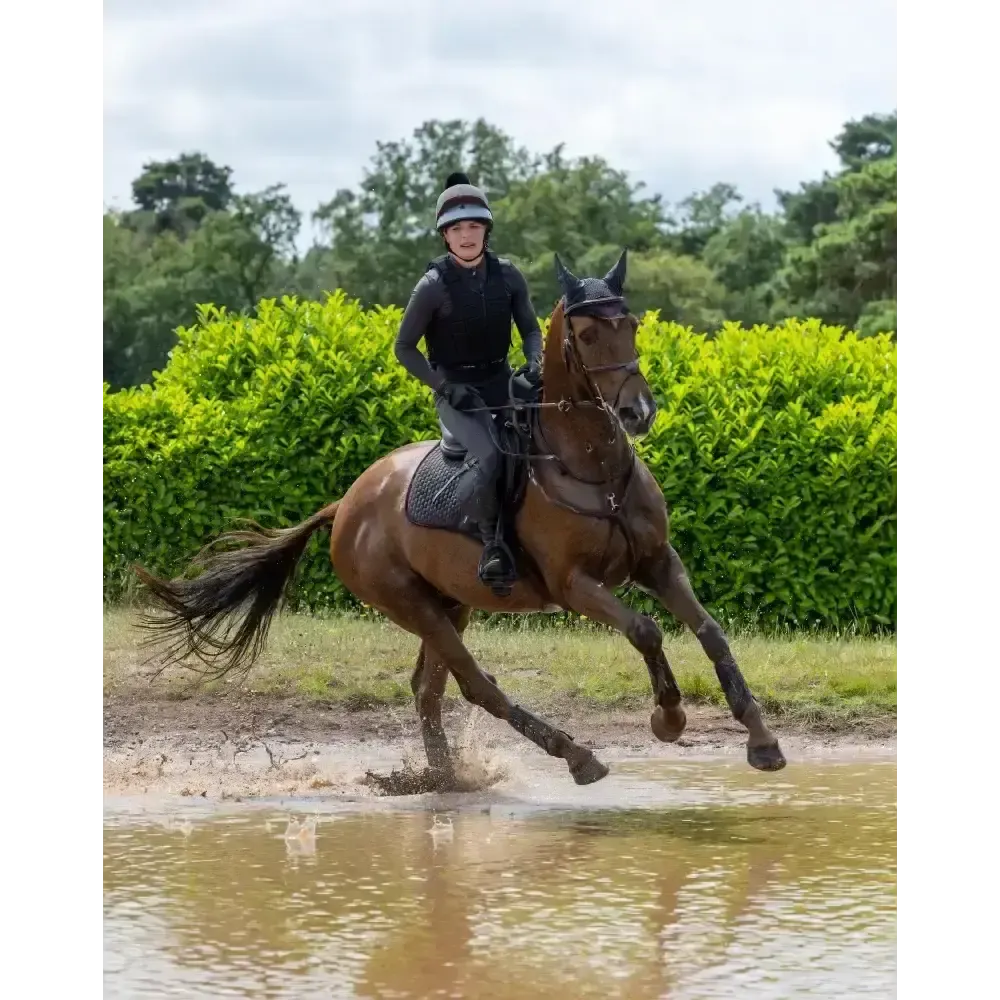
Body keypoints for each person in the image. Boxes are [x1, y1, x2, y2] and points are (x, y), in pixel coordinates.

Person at [394, 171, 544, 591]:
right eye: (456, 229)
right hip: (456, 394)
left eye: (474, 226)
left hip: (501, 381)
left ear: (486, 231)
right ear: (445, 236)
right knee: (491, 455)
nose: (466, 236)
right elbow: (404, 348)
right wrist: (443, 387)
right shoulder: (431, 286)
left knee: (545, 440)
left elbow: (531, 330)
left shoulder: (509, 276)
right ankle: (492, 547)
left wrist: (534, 365)